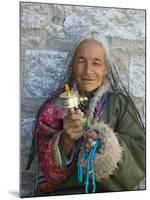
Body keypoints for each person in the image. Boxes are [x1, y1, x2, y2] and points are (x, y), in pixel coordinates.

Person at [26, 32, 145, 196]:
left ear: (106, 69)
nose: (88, 70)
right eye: (81, 61)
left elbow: (142, 155)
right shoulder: (54, 107)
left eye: (96, 63)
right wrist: (66, 139)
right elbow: (45, 175)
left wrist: (106, 144)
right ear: (72, 65)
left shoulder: (120, 105)